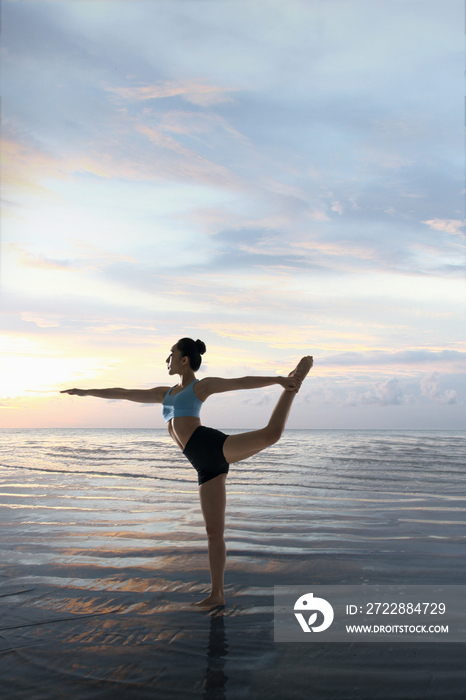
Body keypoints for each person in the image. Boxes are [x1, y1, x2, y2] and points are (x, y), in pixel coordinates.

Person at [61, 338, 313, 607]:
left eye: (171, 355)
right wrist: (86, 391)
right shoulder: (165, 393)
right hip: (203, 466)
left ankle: (295, 380)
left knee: (271, 434)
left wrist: (277, 380)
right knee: (214, 532)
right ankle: (217, 595)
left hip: (211, 446)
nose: (167, 360)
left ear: (184, 360)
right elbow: (123, 392)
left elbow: (238, 382)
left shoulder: (199, 387)